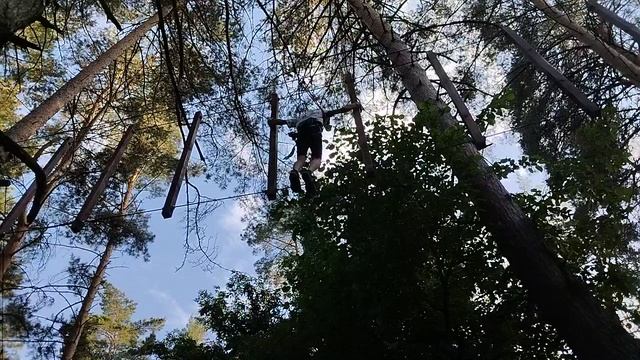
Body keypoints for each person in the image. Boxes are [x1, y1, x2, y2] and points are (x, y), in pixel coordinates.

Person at [271, 103, 361, 195]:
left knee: (301, 158)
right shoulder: (322, 112)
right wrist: (355, 105)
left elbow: (283, 122)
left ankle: (295, 171)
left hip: (301, 132)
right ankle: (309, 172)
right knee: (316, 157)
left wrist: (272, 121)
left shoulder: (300, 118)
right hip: (315, 129)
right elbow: (341, 110)